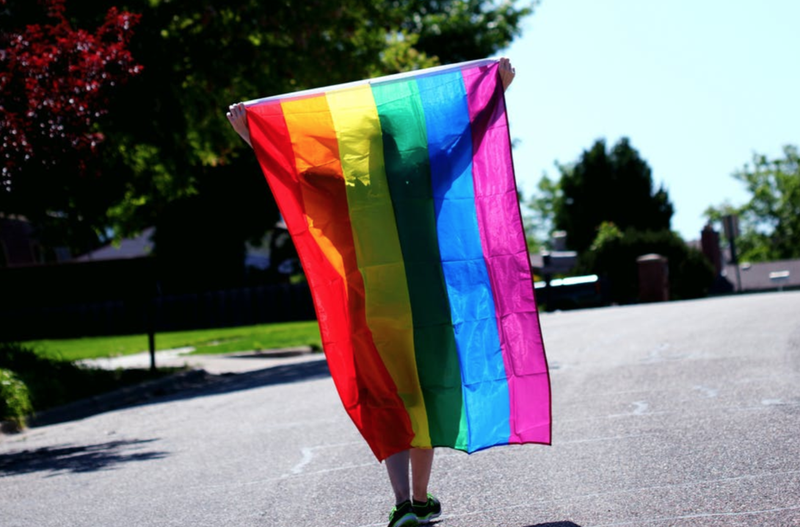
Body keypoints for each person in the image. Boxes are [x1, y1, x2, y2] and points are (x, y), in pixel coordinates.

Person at [227, 57, 516, 527]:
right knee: (422, 396)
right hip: (425, 306)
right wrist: (494, 91)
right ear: (402, 142)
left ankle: (404, 500)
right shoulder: (423, 170)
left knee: (387, 399)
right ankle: (418, 500)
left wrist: (251, 134)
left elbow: (292, 174)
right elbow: (465, 141)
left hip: (366, 311)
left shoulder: (345, 184)